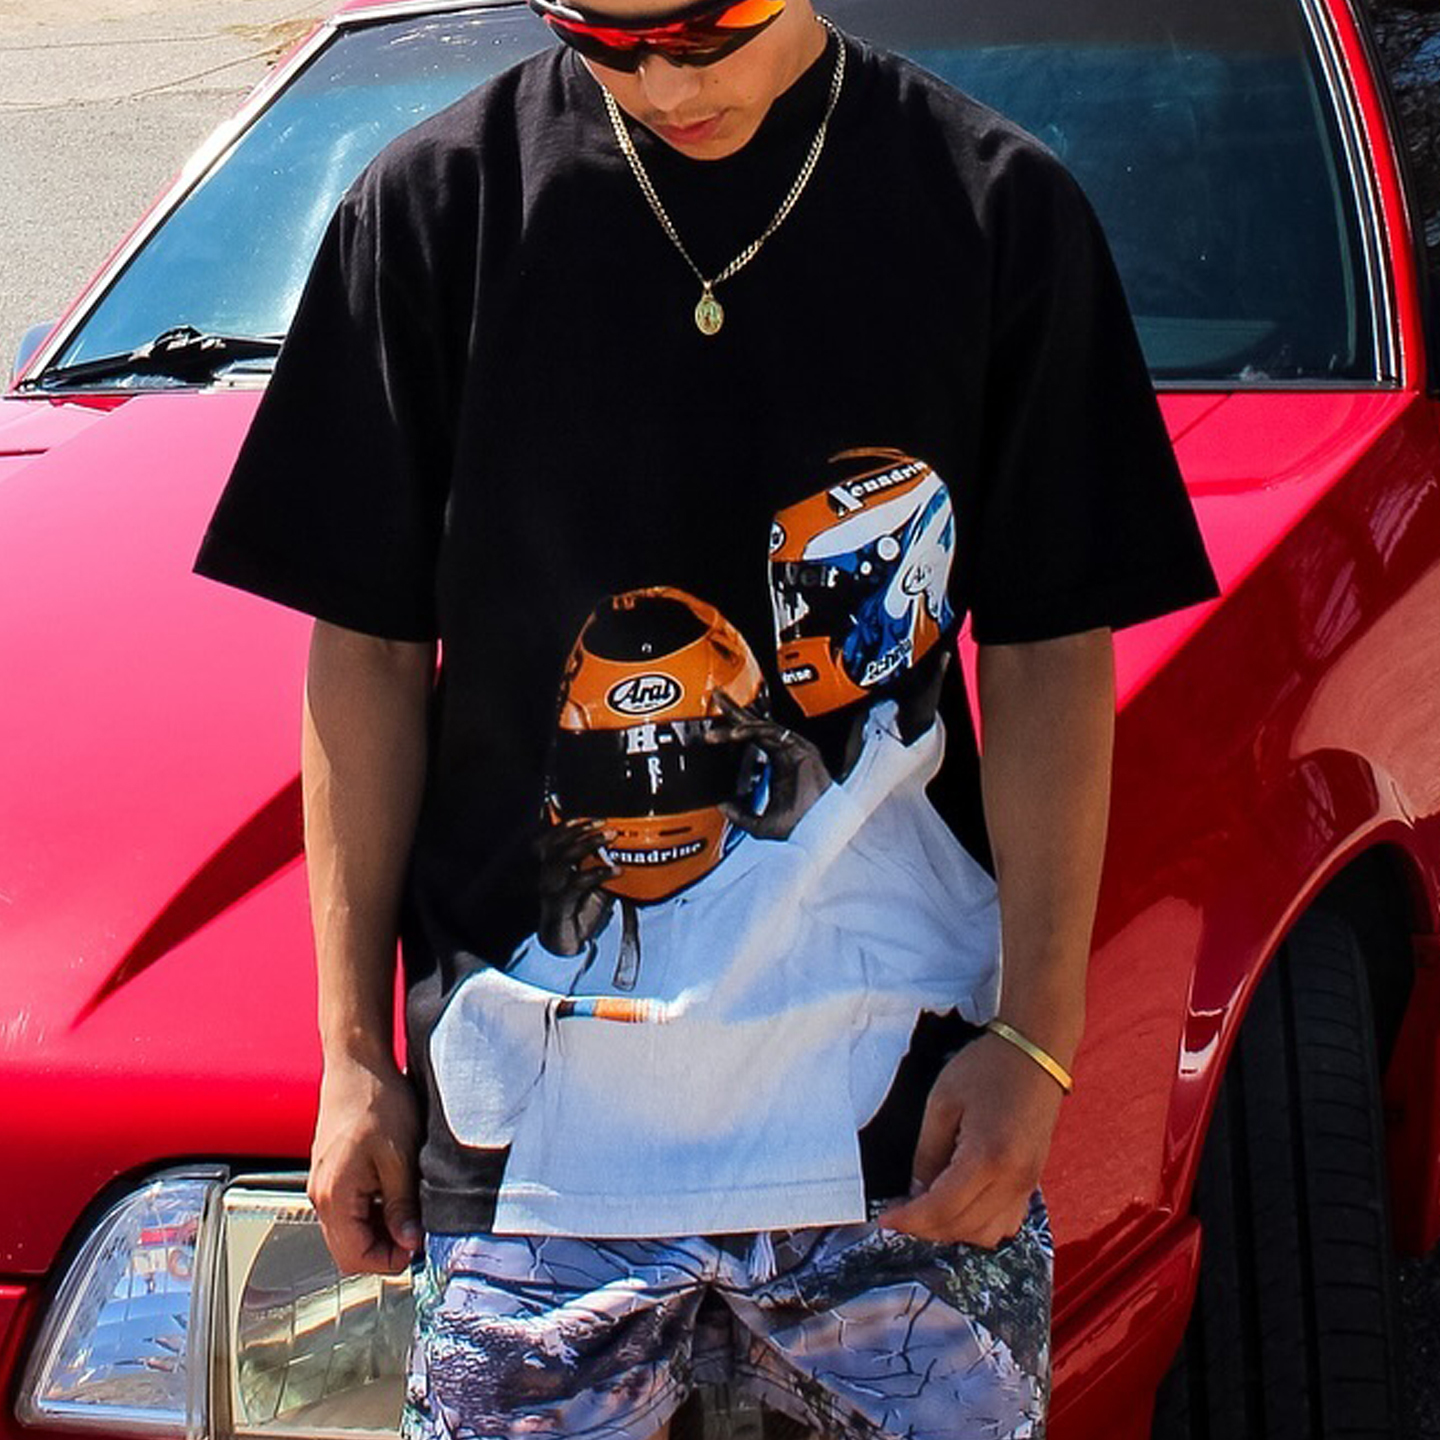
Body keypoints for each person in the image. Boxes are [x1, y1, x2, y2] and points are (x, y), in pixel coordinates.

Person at [193, 1, 1219, 1435]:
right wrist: (353, 1055)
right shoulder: (435, 209)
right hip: (533, 1170)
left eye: (703, 27)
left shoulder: (994, 208)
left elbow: (1050, 649)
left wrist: (1039, 1039)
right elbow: (364, 645)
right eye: (603, 38)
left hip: (900, 1145)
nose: (665, 80)